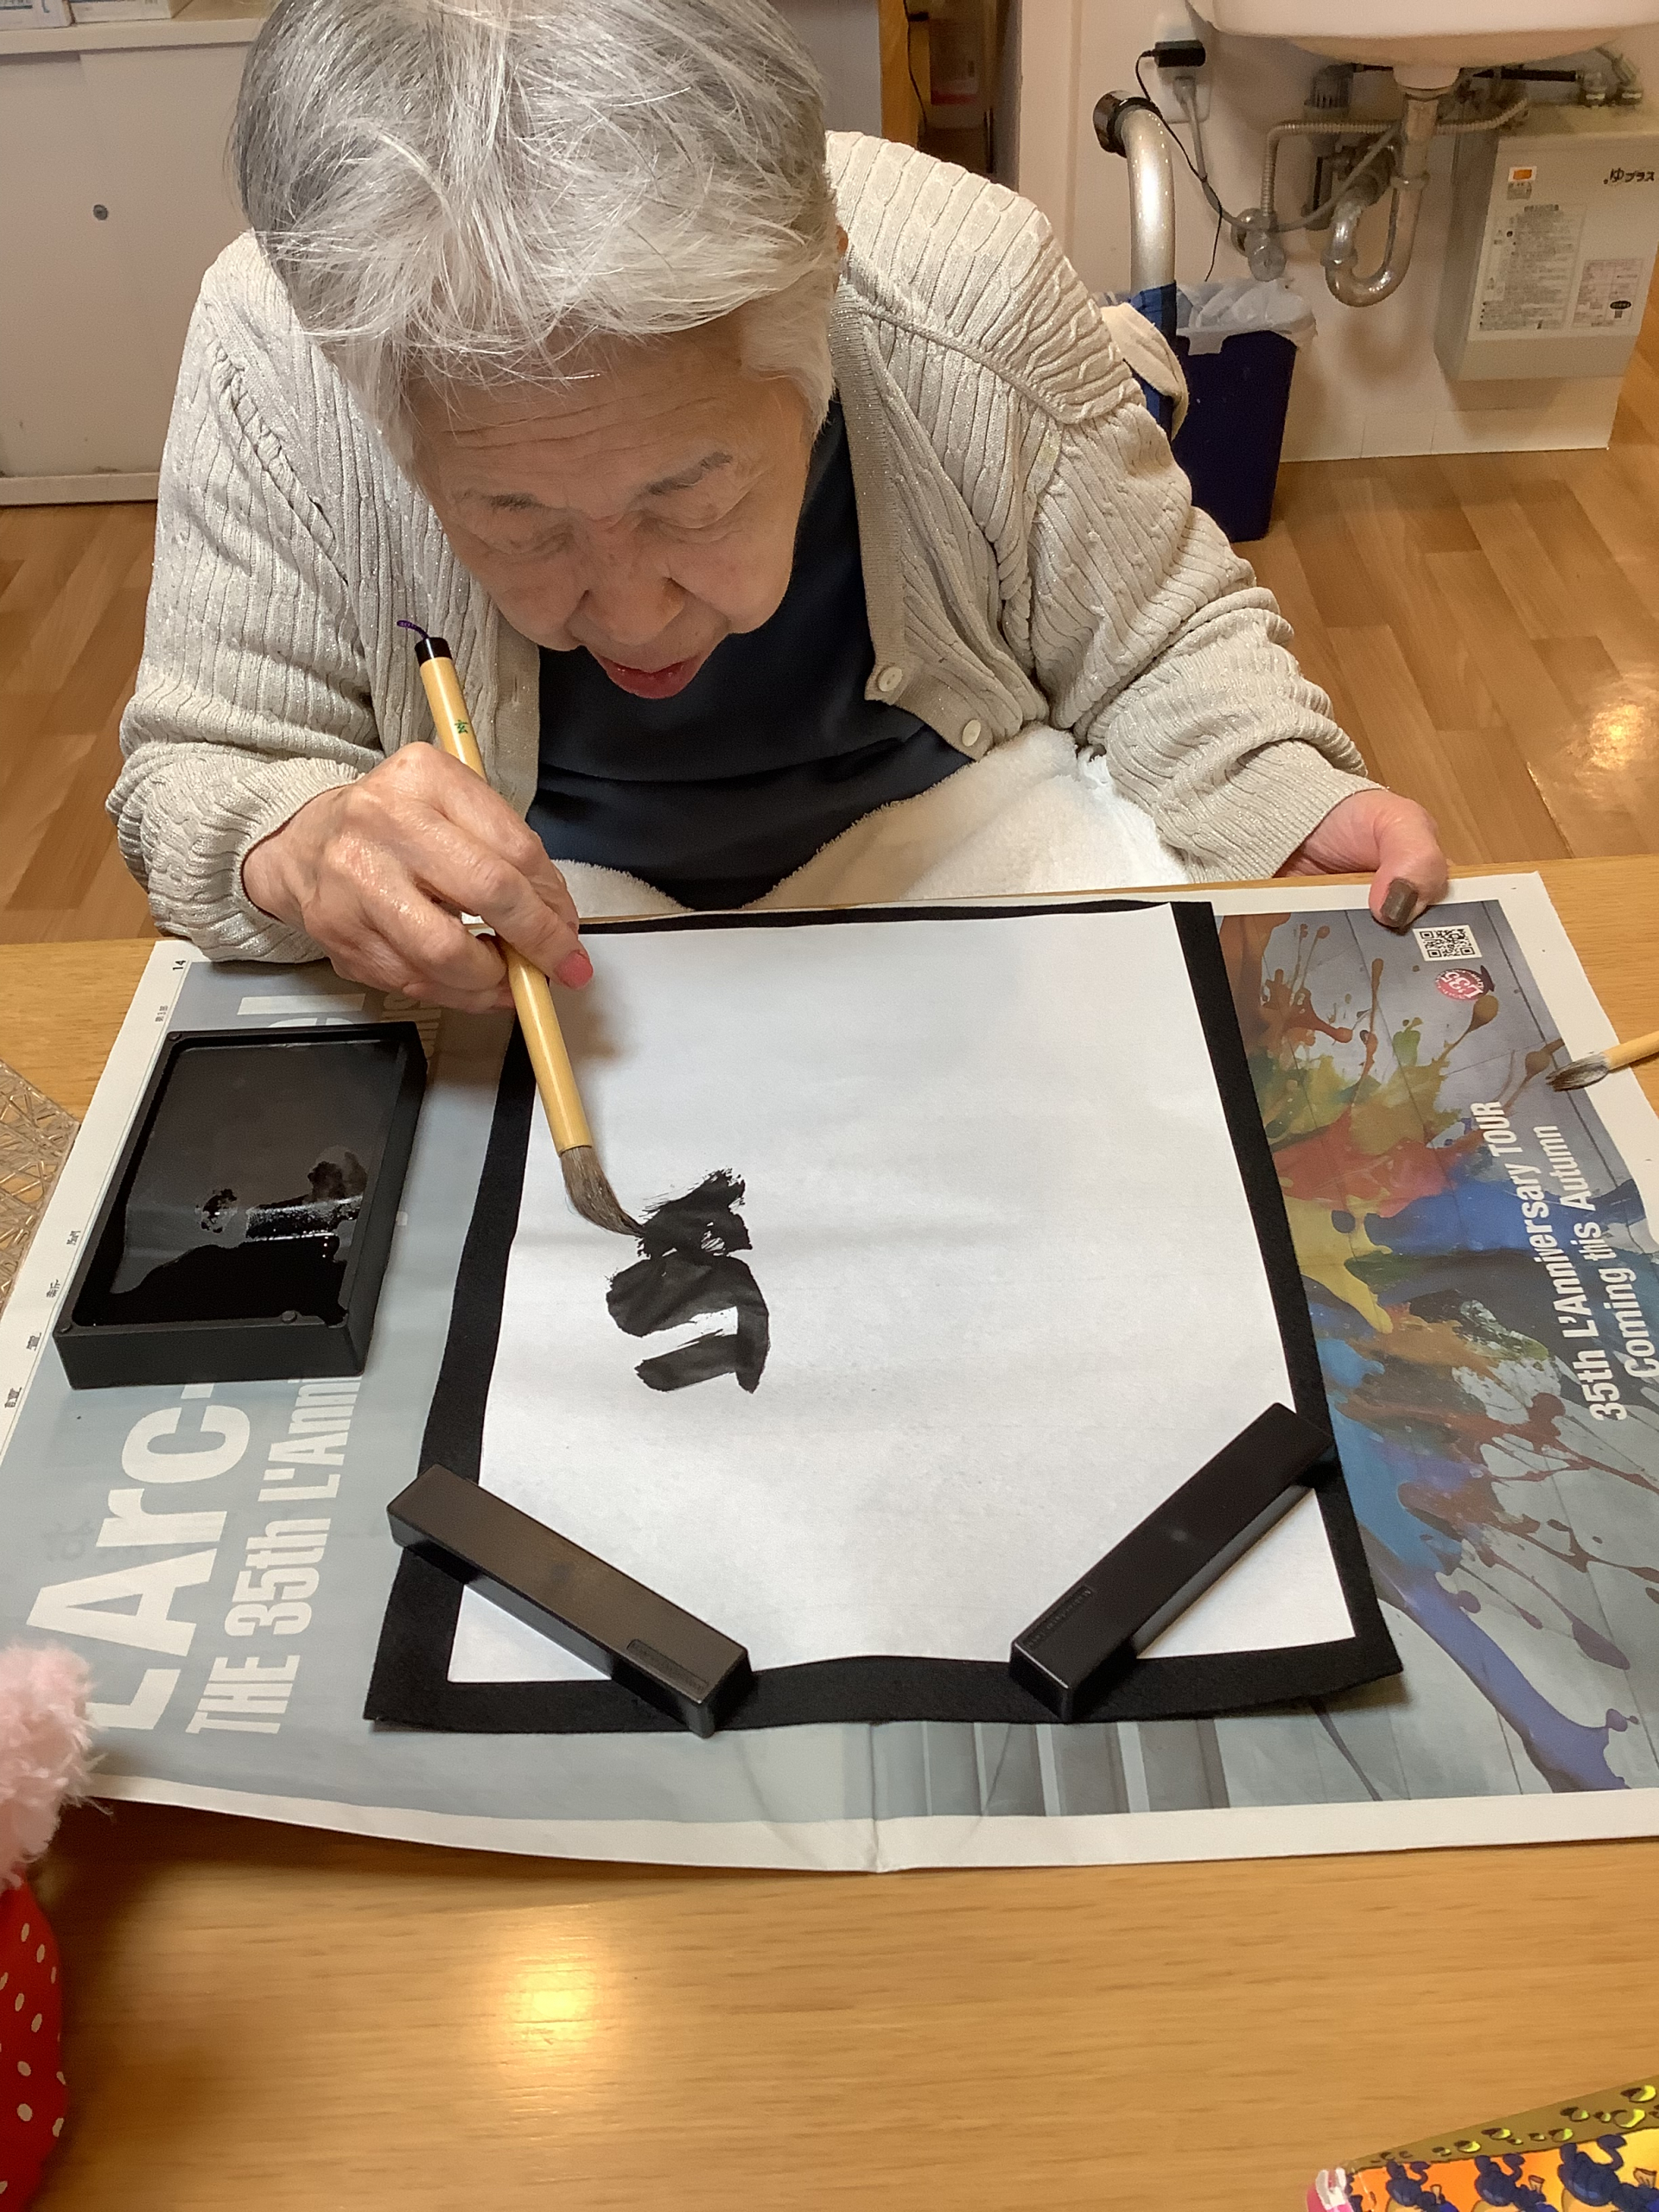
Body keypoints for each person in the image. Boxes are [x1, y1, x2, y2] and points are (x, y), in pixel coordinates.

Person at [111, 0, 1448, 1016]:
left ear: (825, 292)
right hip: (536, 958)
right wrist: (299, 845)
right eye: (518, 520)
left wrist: (1281, 792)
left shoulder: (966, 286)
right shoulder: (283, 351)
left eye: (693, 497)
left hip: (962, 881)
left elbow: (1156, 640)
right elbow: (201, 767)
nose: (629, 613)